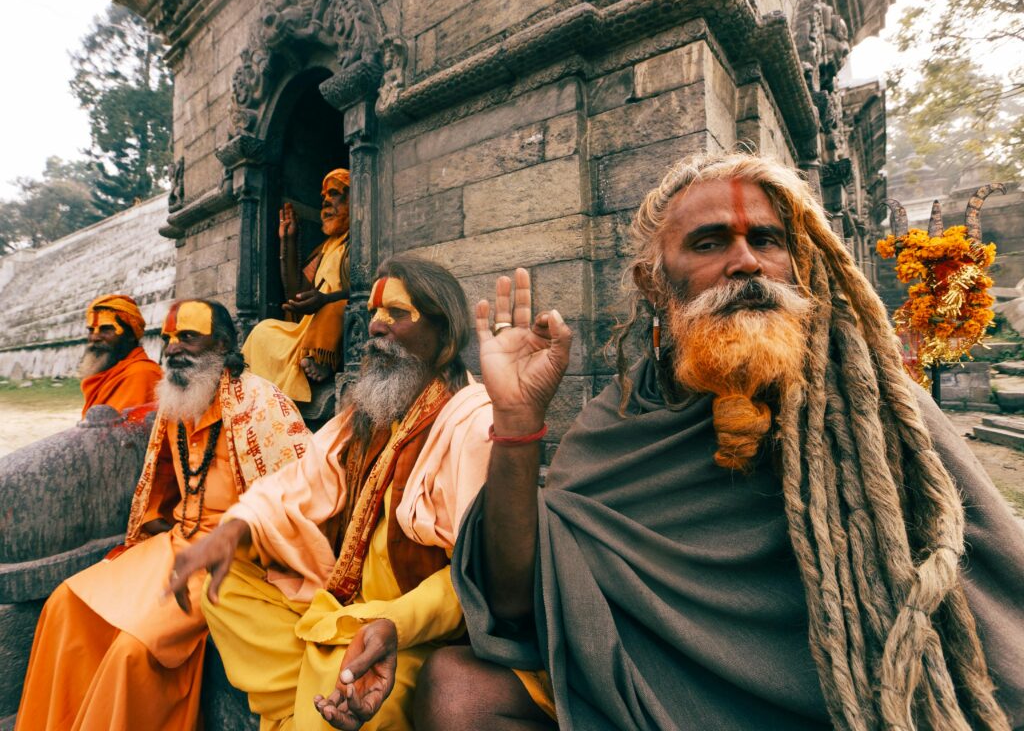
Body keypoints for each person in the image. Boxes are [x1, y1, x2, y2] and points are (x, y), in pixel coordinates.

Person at [416, 152, 1024, 730]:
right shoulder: (620, 422)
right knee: (457, 689)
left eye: (767, 240)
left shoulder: (872, 407)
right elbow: (519, 606)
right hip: (655, 696)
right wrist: (518, 420)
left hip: (851, 707)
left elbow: (989, 611)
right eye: (709, 243)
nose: (747, 263)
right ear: (655, 286)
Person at [167, 255, 493, 730]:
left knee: (333, 659)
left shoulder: (472, 421)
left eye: (396, 314)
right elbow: (293, 485)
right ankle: (301, 693)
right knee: (222, 581)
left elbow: (471, 574)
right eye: (374, 314)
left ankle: (307, 692)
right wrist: (231, 531)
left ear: (445, 333)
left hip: (408, 635)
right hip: (340, 601)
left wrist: (393, 623)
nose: (376, 327)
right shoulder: (367, 414)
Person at [16, 299, 312, 731]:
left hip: (232, 563)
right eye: (169, 339)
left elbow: (299, 501)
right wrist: (149, 527)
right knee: (65, 603)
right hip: (174, 542)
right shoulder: (177, 399)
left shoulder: (264, 406)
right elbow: (161, 486)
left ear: (224, 345)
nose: (173, 349)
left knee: (133, 650)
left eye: (188, 337)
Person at [243, 168, 351, 402]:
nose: (326, 203)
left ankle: (324, 361)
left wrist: (326, 300)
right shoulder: (324, 249)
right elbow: (296, 292)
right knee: (263, 330)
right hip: (307, 331)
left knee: (336, 302)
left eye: (334, 194)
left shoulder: (356, 242)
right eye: (323, 199)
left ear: (353, 198)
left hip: (340, 327)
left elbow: (367, 289)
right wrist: (288, 240)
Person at [79, 293, 162, 416]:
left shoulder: (141, 373)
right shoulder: (109, 372)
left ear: (130, 335)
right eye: (91, 330)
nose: (95, 337)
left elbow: (121, 431)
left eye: (106, 329)